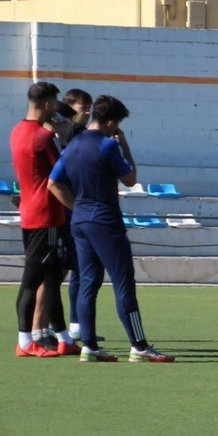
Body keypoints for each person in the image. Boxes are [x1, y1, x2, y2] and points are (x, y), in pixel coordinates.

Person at [47, 95, 174, 363]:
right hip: (105, 221)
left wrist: (77, 207)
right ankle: (139, 345)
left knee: (87, 284)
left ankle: (89, 346)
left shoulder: (72, 145)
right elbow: (130, 179)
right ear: (112, 122)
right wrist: (125, 146)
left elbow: (53, 184)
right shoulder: (107, 146)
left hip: (79, 221)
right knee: (123, 283)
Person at [10, 81, 73, 358]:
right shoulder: (42, 137)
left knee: (50, 278)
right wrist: (65, 137)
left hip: (29, 212)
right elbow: (63, 171)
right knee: (33, 279)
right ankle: (25, 341)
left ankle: (63, 338)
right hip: (45, 216)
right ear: (48, 105)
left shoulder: (17, 131)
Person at [47, 88, 92, 347]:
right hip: (62, 209)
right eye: (81, 106)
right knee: (54, 271)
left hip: (77, 208)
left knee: (79, 266)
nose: (87, 110)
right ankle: (44, 329)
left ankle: (76, 326)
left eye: (89, 106)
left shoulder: (83, 137)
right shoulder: (56, 136)